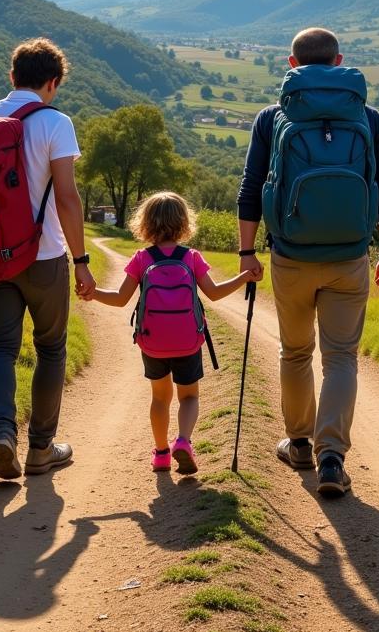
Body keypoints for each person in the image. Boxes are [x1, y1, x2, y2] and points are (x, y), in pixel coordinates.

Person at [237, 28, 379, 497]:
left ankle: (300, 443)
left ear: (293, 64)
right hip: (349, 255)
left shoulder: (273, 117)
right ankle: (333, 458)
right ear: (339, 61)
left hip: (290, 255)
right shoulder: (367, 116)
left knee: (295, 352)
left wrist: (248, 253)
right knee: (342, 358)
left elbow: (251, 190)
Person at [0, 37, 96, 481]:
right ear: (53, 82)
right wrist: (81, 261)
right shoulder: (55, 123)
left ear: (11, 78)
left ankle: (2, 434)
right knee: (50, 348)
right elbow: (67, 197)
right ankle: (42, 449)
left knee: (0, 347)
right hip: (43, 257)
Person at [83, 192, 257, 474]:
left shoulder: (141, 259)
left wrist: (93, 294)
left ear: (146, 224)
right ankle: (184, 442)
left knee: (160, 398)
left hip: (152, 343)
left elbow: (119, 297)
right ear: (184, 223)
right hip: (188, 342)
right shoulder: (190, 257)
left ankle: (161, 454)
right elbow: (213, 293)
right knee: (189, 397)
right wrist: (244, 277)